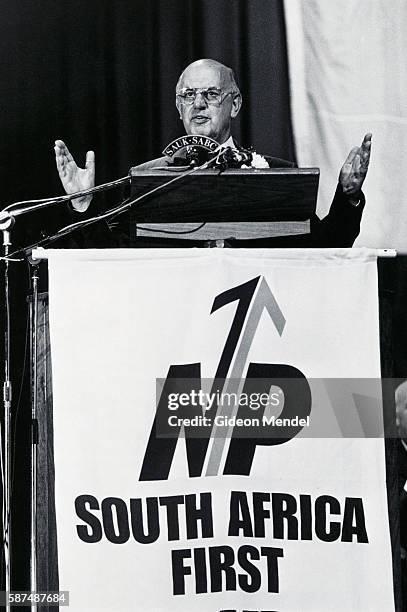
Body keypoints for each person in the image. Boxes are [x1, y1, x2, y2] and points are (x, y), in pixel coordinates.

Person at [54, 58, 372, 247]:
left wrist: (348, 196)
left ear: (234, 105)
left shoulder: (273, 174)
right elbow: (109, 252)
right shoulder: (148, 177)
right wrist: (83, 207)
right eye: (188, 95)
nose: (199, 104)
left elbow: (325, 246)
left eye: (211, 94)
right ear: (179, 108)